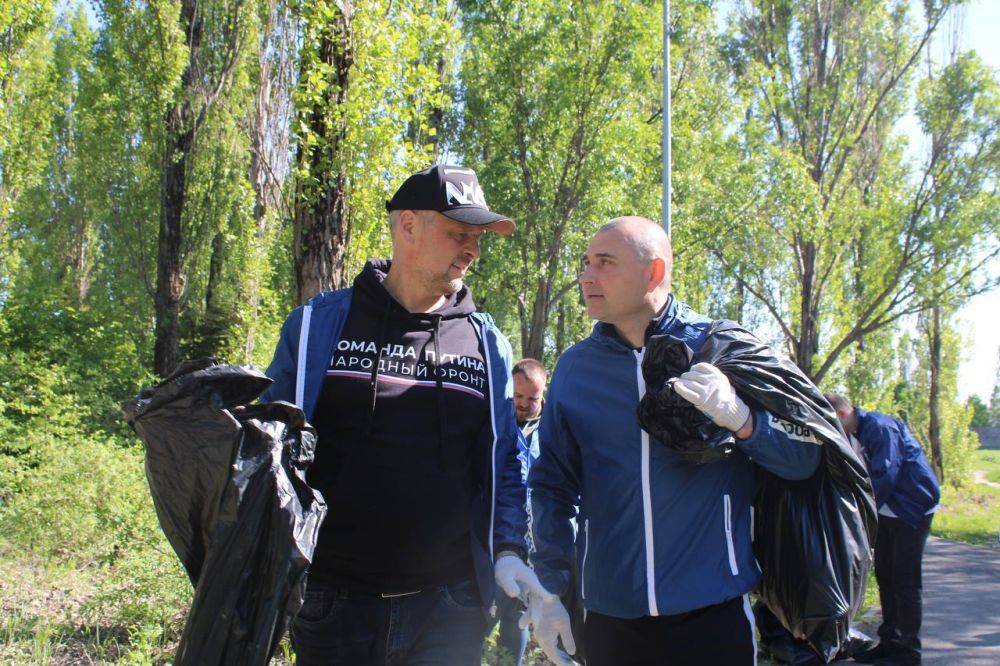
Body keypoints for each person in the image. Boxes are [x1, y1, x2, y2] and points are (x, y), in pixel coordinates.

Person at [261, 164, 550, 665]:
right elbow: (271, 446)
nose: (473, 250)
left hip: (451, 606)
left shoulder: (489, 346)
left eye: (478, 237)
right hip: (333, 603)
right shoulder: (318, 326)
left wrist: (508, 549)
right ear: (408, 226)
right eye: (459, 232)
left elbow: (506, 462)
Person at [523, 216, 824, 665]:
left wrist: (742, 420)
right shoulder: (575, 369)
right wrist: (549, 588)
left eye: (604, 263)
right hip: (610, 617)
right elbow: (551, 486)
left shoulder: (723, 348)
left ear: (655, 272)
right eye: (585, 263)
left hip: (713, 614)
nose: (586, 276)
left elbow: (804, 459)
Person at [825, 393, 940, 666]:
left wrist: (859, 514)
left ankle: (909, 651)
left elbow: (885, 475)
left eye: (830, 421)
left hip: (910, 509)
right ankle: (890, 641)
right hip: (890, 510)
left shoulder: (879, 427)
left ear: (841, 414)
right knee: (886, 576)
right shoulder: (856, 433)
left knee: (905, 581)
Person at [492, 358, 548, 665]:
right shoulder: (494, 425)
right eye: (518, 396)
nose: (524, 404)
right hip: (493, 545)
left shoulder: (554, 431)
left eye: (532, 398)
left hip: (534, 551)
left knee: (517, 625)